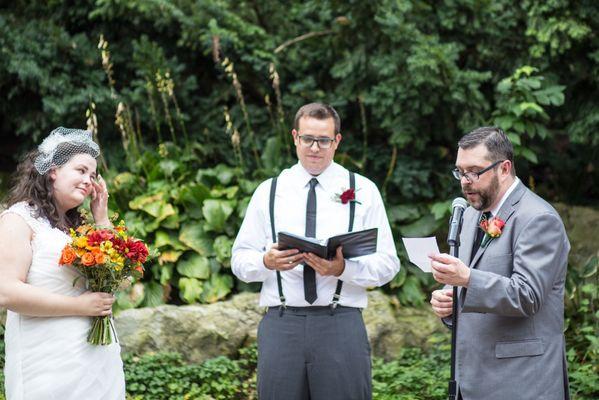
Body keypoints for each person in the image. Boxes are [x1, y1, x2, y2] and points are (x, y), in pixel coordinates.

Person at [232, 102, 400, 400]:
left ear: (337, 142)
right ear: (295, 137)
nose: (315, 148)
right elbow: (239, 260)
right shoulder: (269, 191)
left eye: (324, 140)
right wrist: (266, 261)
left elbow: (388, 264)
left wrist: (342, 269)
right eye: (308, 138)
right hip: (282, 324)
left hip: (341, 322)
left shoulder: (363, 190)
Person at [429, 127, 570, 400]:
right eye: (460, 171)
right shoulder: (472, 216)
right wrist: (450, 303)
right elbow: (472, 293)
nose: (465, 181)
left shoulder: (538, 218)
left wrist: (467, 279)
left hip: (523, 383)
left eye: (474, 171)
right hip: (469, 381)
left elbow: (527, 296)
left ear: (504, 168)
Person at [0, 127, 125, 399]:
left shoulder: (77, 229)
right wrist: (80, 306)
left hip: (95, 362)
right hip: (48, 362)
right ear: (53, 170)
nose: (88, 181)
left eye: (92, 175)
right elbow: (6, 291)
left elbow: (120, 279)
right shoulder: (18, 219)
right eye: (81, 171)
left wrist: (101, 218)